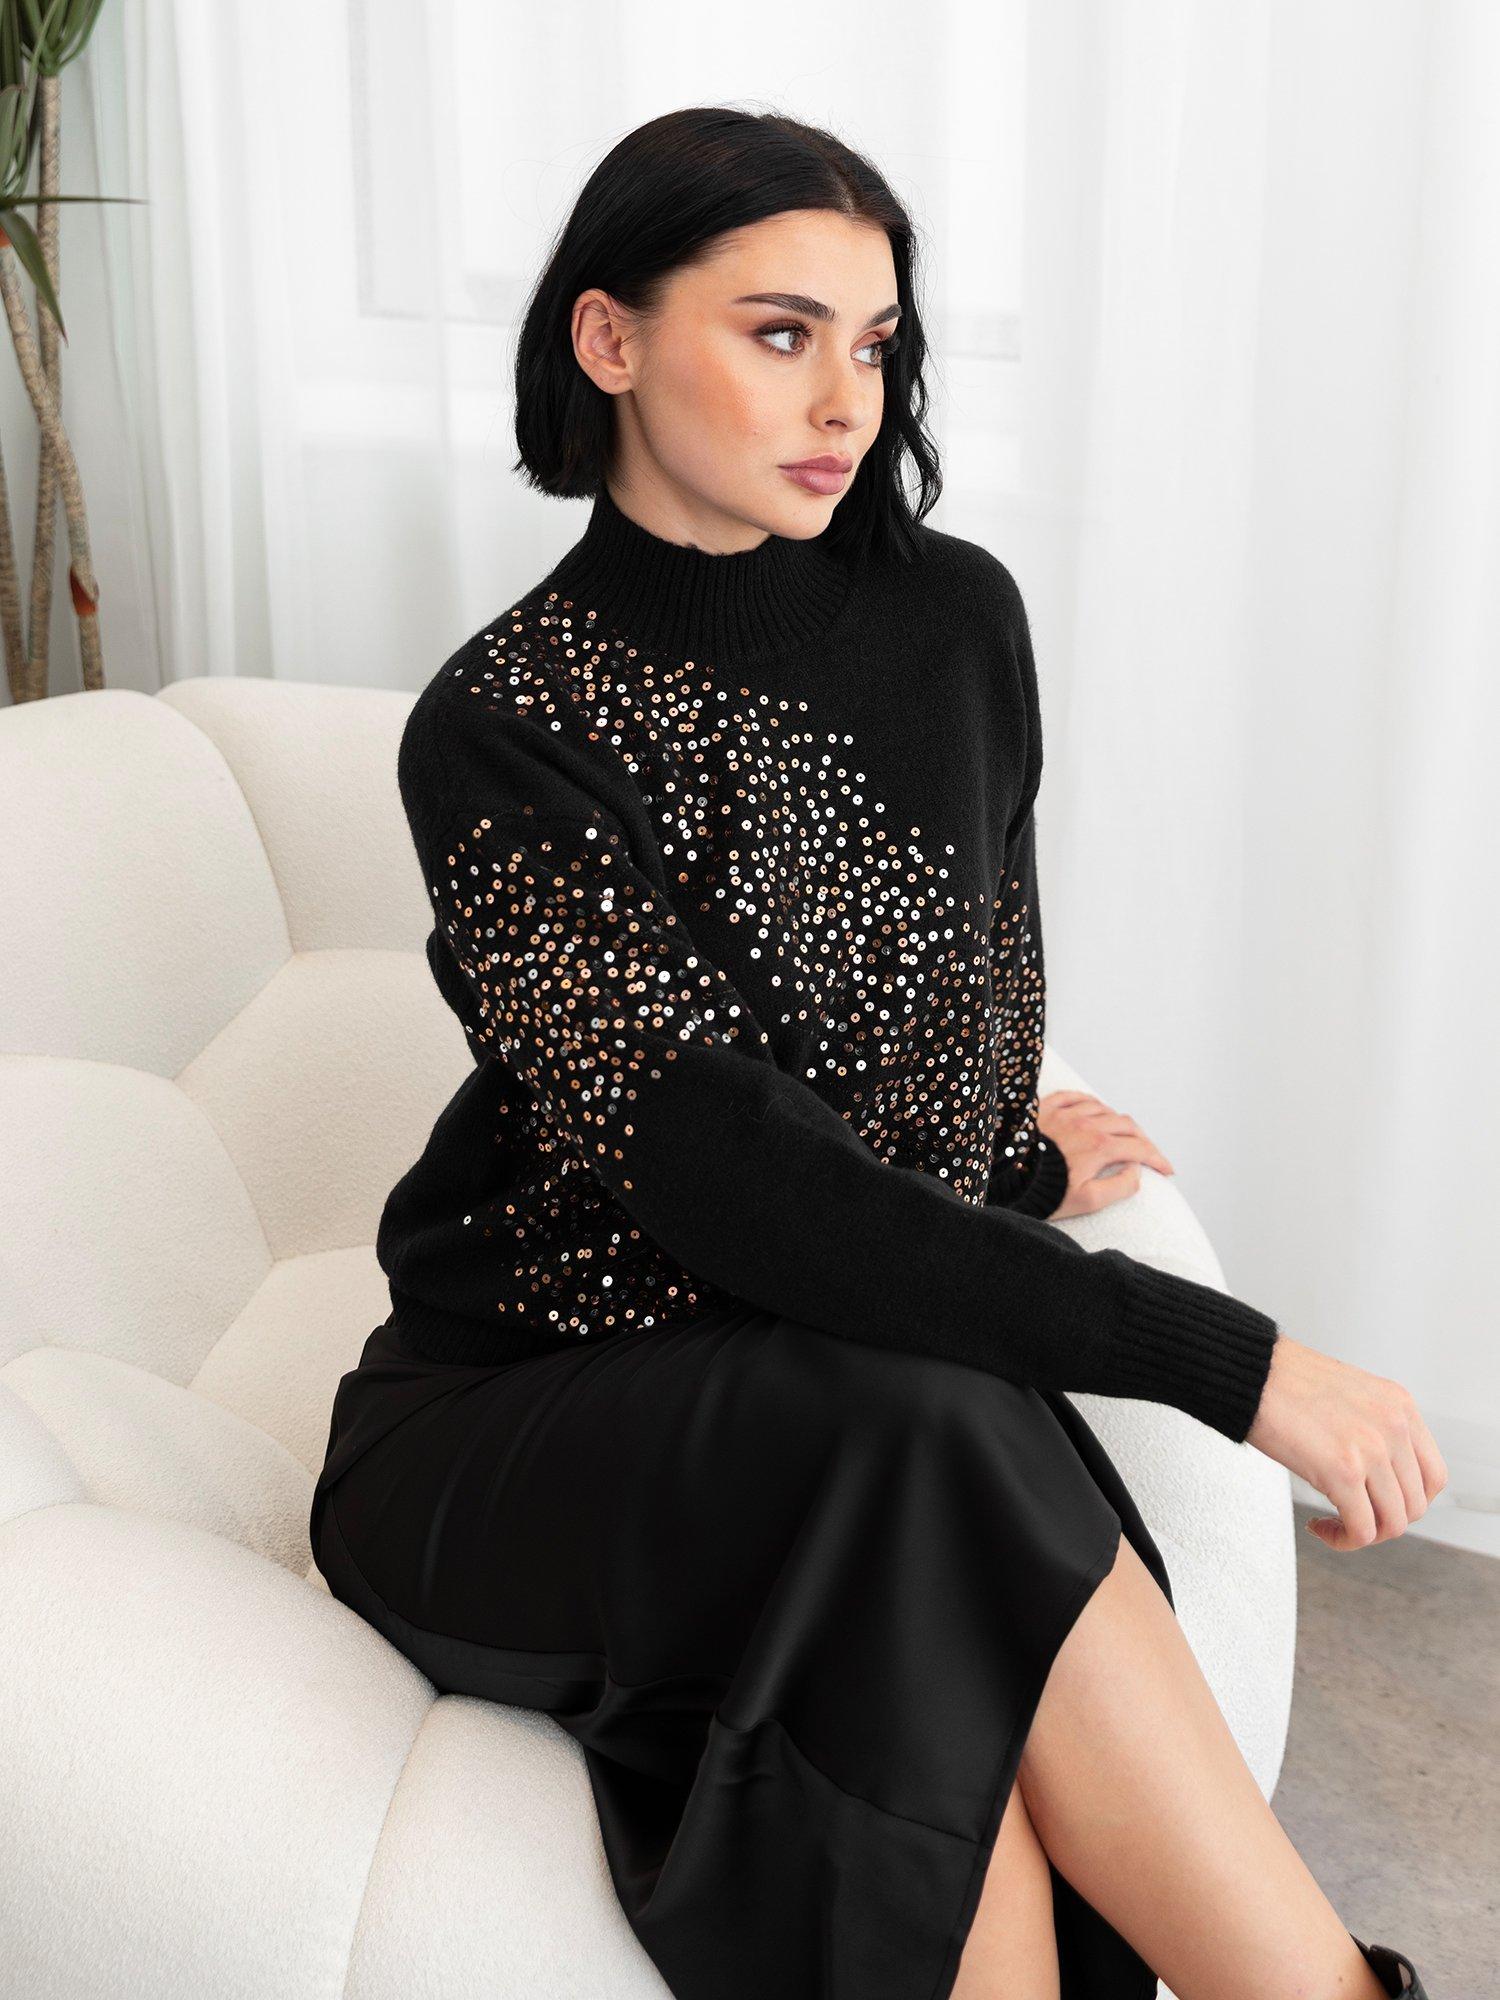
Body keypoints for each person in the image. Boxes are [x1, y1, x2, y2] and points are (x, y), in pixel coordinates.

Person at [310, 106, 1445, 2000]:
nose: (846, 396)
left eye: (875, 340)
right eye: (779, 333)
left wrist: (1002, 1164)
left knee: (914, 1524)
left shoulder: (953, 622)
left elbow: (959, 1019)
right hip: (527, 1420)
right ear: (608, 338)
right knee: (916, 1426)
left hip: (839, 1404)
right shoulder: (504, 724)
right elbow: (723, 1171)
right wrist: (1233, 1366)